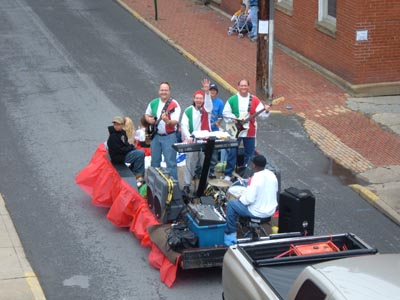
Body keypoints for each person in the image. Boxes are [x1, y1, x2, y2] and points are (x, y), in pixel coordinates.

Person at [224, 154, 278, 246]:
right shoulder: (272, 175)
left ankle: (230, 235)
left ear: (254, 165)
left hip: (257, 213)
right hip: (270, 211)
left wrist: (240, 198)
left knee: (232, 204)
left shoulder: (255, 178)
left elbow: (248, 200)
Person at [223, 79, 270, 181]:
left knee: (250, 154)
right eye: (242, 85)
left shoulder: (255, 100)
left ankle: (246, 175)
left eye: (245, 86)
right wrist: (234, 118)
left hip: (250, 131)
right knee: (232, 152)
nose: (243, 87)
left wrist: (266, 111)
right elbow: (225, 113)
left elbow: (263, 116)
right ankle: (228, 174)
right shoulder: (232, 99)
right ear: (238, 86)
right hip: (236, 131)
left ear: (248, 87)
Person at [180, 79, 213, 194]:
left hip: (205, 141)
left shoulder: (206, 109)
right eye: (197, 98)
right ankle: (186, 185)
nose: (199, 100)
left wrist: (207, 92)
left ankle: (205, 184)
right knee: (190, 163)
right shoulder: (188, 111)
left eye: (201, 98)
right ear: (194, 99)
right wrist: (188, 136)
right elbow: (183, 124)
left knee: (205, 163)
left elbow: (209, 105)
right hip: (193, 141)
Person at [144, 82, 181, 180]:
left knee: (171, 162)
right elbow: (147, 115)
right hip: (156, 135)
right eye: (162, 90)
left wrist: (167, 121)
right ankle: (154, 185)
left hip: (169, 136)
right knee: (154, 161)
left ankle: (173, 186)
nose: (163, 92)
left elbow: (175, 122)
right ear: (158, 91)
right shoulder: (153, 103)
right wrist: (149, 119)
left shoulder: (174, 104)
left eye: (166, 90)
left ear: (169, 91)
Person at [107, 116, 145, 180]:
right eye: (115, 124)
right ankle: (137, 174)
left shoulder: (122, 133)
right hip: (118, 157)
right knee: (140, 154)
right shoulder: (113, 136)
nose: (116, 126)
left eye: (118, 124)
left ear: (122, 125)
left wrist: (131, 147)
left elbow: (125, 144)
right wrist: (130, 148)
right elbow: (119, 149)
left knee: (137, 151)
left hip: (123, 154)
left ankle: (134, 170)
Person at [208, 83, 225, 178]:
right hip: (205, 130)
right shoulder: (205, 100)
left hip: (214, 130)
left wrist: (218, 122)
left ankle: (211, 170)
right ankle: (199, 170)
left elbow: (220, 115)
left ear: (216, 92)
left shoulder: (220, 102)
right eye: (211, 90)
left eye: (214, 90)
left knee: (214, 151)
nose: (212, 92)